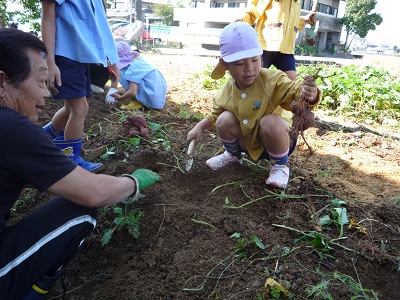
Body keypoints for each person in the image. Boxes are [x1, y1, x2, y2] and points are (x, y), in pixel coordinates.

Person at [0, 28, 161, 299]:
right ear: (2, 82)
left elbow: (27, 164)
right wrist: (134, 182)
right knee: (79, 211)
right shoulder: (10, 126)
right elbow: (92, 192)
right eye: (41, 82)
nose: (47, 95)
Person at [187, 22, 321, 189]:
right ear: (225, 65)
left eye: (255, 60)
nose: (249, 69)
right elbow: (214, 115)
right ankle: (233, 154)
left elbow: (293, 90)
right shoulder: (227, 89)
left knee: (270, 122)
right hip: (248, 140)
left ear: (261, 56)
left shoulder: (273, 79)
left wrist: (310, 93)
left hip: (278, 139)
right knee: (224, 119)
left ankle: (280, 166)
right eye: (239, 64)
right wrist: (200, 127)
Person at [41, 0, 120, 172]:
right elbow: (48, 17)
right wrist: (50, 62)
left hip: (79, 55)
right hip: (65, 54)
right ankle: (70, 160)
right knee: (80, 108)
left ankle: (41, 139)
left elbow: (98, 24)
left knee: (71, 109)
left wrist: (109, 58)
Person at [237, 0, 316, 81]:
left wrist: (305, 19)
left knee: (291, 81)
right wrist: (241, 19)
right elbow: (252, 12)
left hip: (286, 49)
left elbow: (290, 22)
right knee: (254, 79)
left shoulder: (297, 3)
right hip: (265, 45)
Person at [105, 41, 167, 110]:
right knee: (125, 75)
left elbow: (133, 92)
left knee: (123, 75)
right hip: (156, 98)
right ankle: (137, 101)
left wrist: (120, 98)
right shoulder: (137, 62)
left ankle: (140, 104)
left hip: (151, 101)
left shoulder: (132, 68)